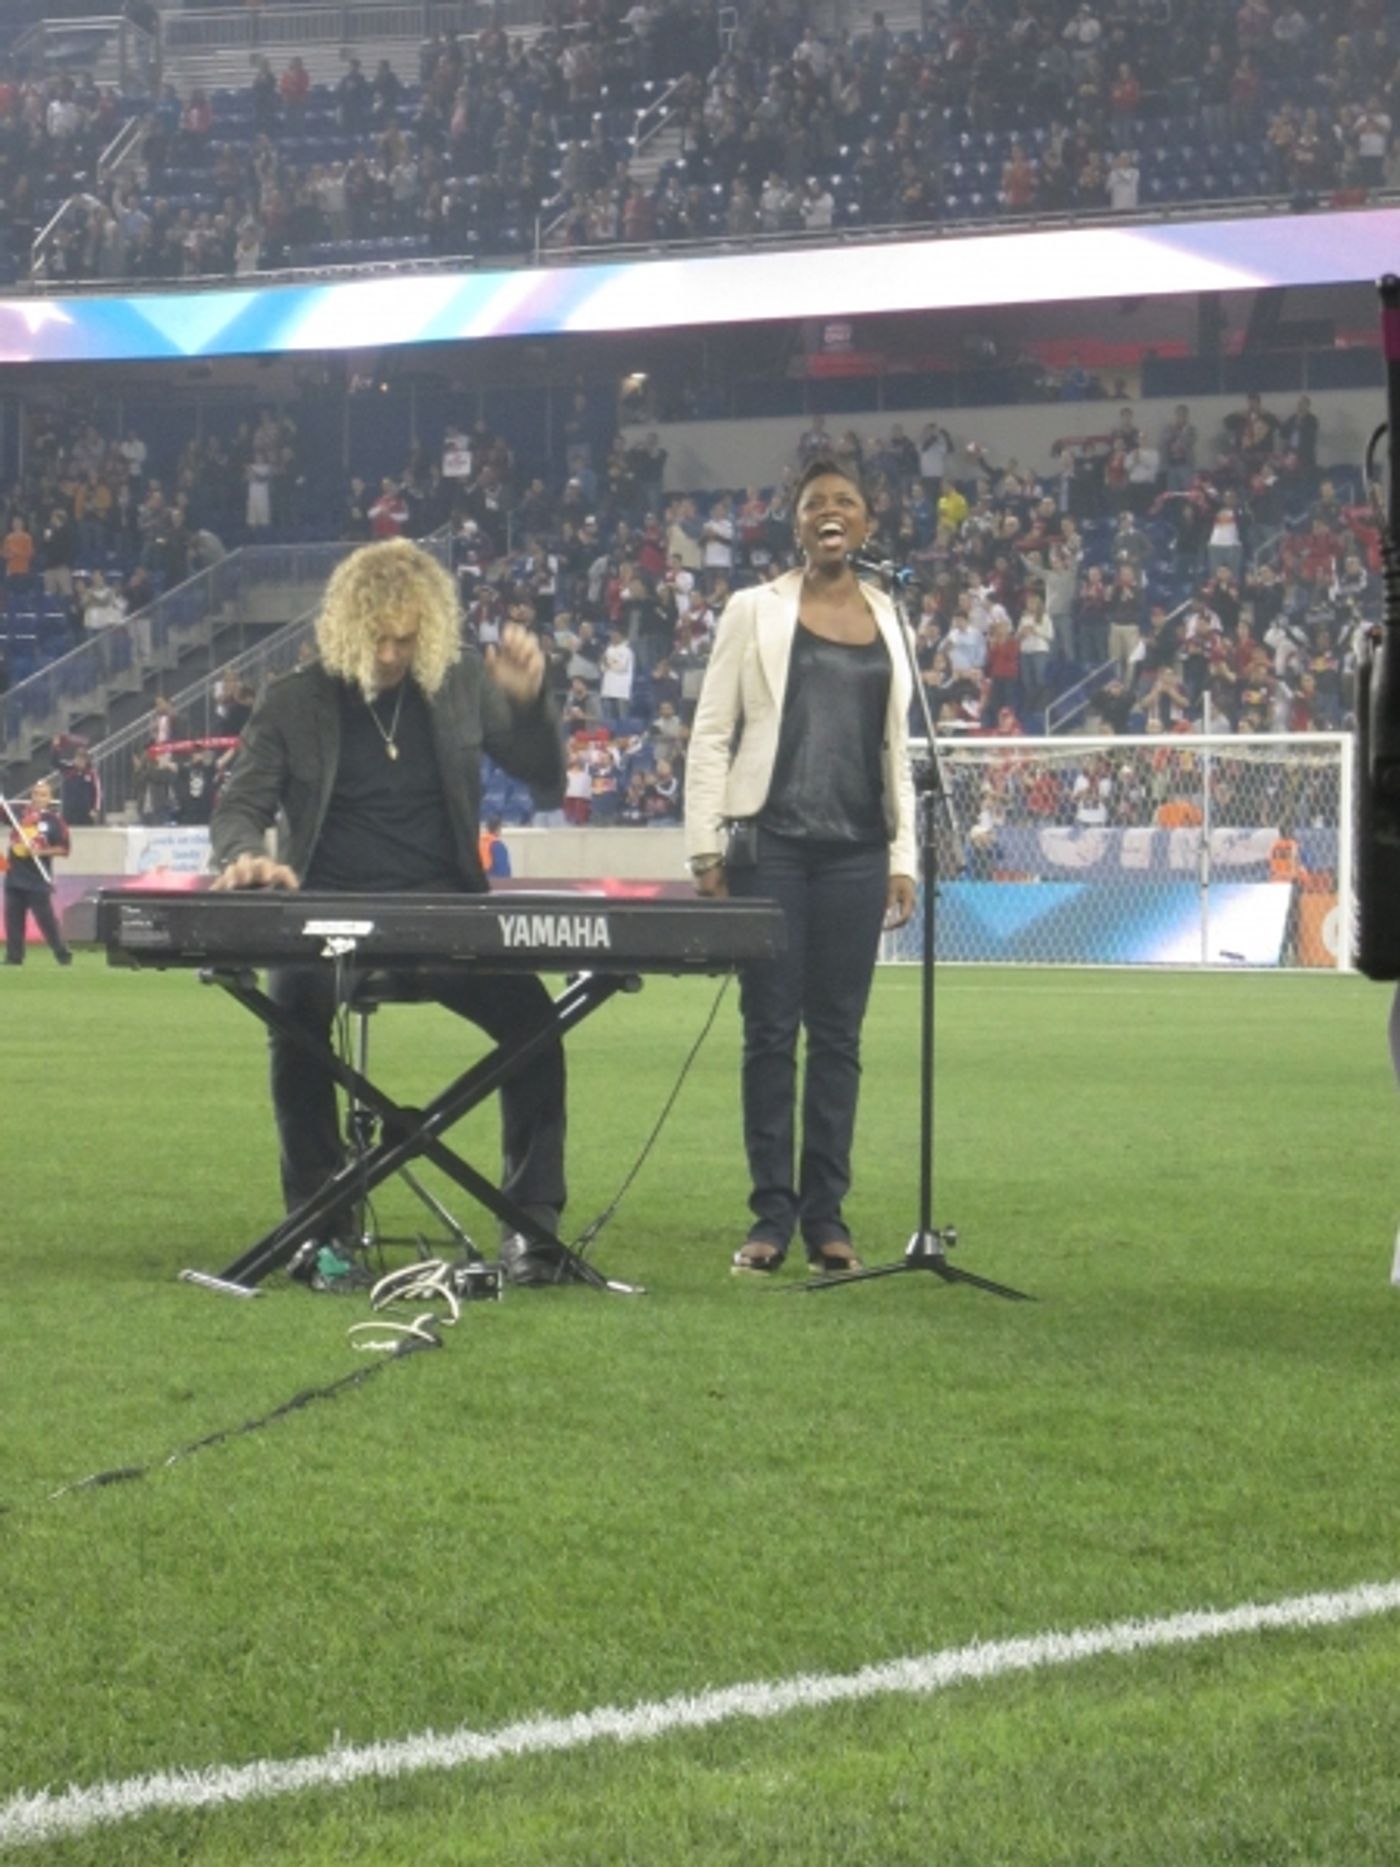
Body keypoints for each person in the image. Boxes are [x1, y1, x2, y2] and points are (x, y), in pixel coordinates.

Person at [210, 538, 569, 1290]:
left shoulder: (463, 681)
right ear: (343, 626)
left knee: (537, 1023)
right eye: (377, 637)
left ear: (429, 630)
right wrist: (244, 854)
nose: (391, 653)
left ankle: (531, 1229)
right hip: (328, 920)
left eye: (407, 638)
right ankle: (320, 1230)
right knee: (294, 1019)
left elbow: (544, 777)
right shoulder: (294, 699)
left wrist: (533, 704)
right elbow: (241, 806)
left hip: (447, 915)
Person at [684, 457, 917, 1277]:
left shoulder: (893, 617)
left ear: (865, 524)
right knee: (770, 1031)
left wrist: (902, 856)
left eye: (845, 501)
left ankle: (827, 1215)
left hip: (858, 849)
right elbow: (713, 731)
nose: (831, 511)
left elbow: (897, 750)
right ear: (797, 524)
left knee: (840, 1038)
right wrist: (705, 846)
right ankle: (770, 1215)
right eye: (816, 501)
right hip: (771, 845)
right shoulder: (754, 609)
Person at [4, 782, 73, 966]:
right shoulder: (19, 812)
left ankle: (62, 953)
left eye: (43, 794)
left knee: (46, 920)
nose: (38, 797)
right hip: (14, 874)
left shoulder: (54, 821)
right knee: (13, 919)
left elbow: (64, 849)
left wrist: (41, 852)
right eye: (35, 793)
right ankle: (14, 956)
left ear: (50, 798)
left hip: (38, 878)